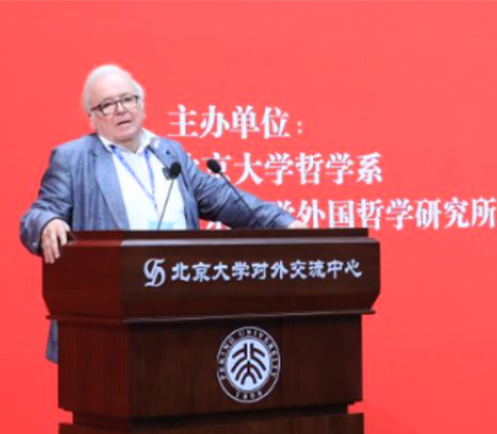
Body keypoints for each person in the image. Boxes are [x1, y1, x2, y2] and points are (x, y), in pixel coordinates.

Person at [20, 64, 304, 361]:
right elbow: (39, 212)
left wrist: (282, 222)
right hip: (112, 318)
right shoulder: (73, 158)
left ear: (142, 105)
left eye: (128, 99)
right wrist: (48, 222)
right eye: (107, 105)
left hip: (181, 306)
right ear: (92, 117)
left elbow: (221, 198)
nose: (121, 109)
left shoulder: (169, 152)